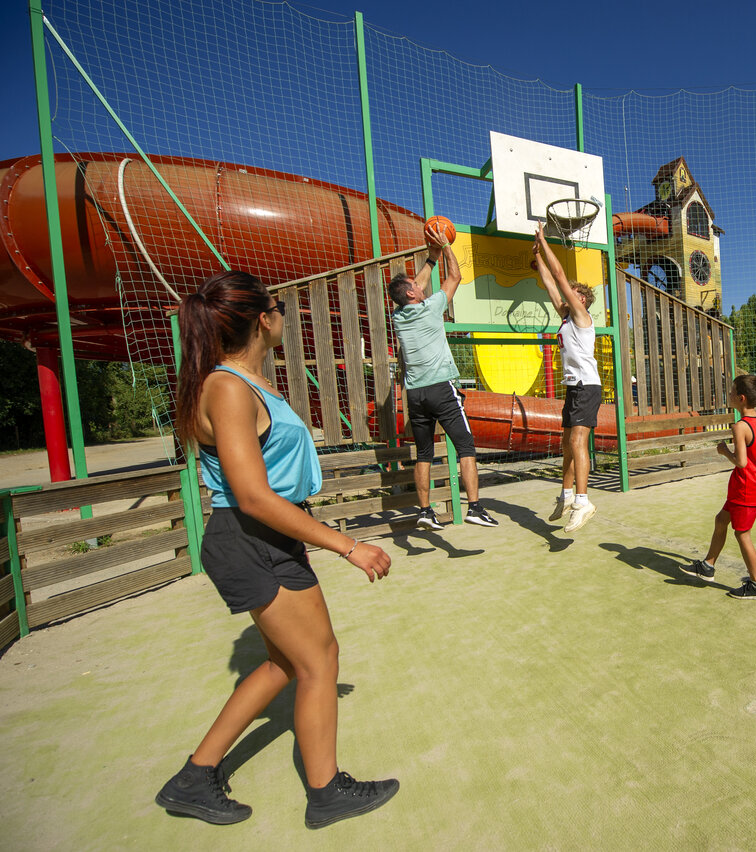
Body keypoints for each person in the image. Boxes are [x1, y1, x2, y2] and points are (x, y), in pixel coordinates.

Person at [157, 271, 398, 829]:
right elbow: (251, 495)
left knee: (285, 664)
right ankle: (326, 792)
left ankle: (194, 775)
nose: (284, 316)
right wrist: (348, 546)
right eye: (279, 307)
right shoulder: (227, 387)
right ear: (264, 319)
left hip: (267, 537)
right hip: (250, 536)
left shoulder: (244, 382)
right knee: (320, 662)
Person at [390, 223, 499, 530]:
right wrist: (445, 246)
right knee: (465, 447)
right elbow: (456, 277)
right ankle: (475, 507)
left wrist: (431, 257)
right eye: (415, 285)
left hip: (415, 393)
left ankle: (425, 511)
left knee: (423, 453)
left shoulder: (398, 315)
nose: (420, 284)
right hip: (440, 389)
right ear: (412, 293)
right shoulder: (430, 307)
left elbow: (414, 286)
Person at [680, 374, 756, 600]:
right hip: (747, 487)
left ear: (741, 398)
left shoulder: (741, 426)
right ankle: (708, 566)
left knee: (742, 534)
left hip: (746, 487)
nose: (729, 394)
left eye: (732, 391)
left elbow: (742, 462)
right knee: (721, 520)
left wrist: (724, 451)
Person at [531, 224, 601, 534]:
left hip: (588, 386)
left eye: (573, 292)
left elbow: (559, 277)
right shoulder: (565, 319)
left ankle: (583, 502)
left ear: (582, 300)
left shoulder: (582, 318)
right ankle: (567, 494)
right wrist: (538, 256)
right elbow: (550, 281)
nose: (565, 294)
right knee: (566, 446)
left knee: (577, 441)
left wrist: (545, 241)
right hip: (575, 388)